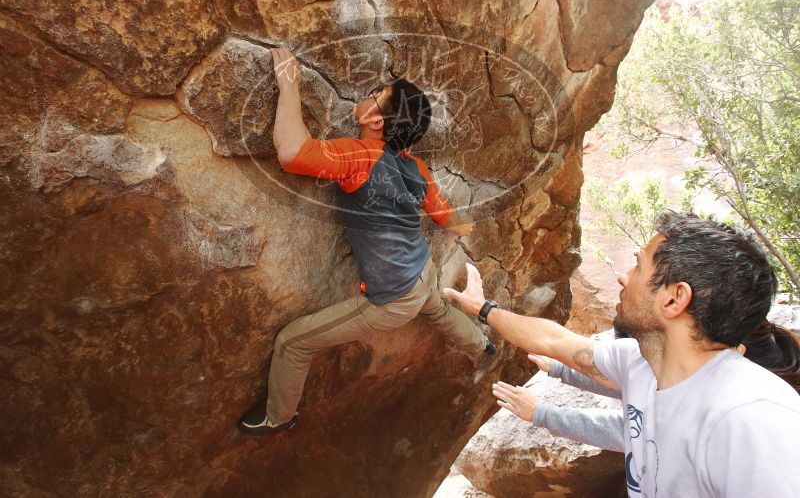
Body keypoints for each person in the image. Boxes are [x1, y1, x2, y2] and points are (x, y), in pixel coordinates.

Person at [444, 211, 800, 497]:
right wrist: (484, 309)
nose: (622, 278)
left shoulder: (750, 419)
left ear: (675, 299)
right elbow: (554, 340)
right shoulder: (641, 362)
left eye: (638, 266)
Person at [238, 48, 495, 436]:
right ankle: (482, 346)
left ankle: (280, 417)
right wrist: (468, 227)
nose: (368, 94)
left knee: (293, 342)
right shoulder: (415, 166)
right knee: (437, 310)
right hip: (422, 271)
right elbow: (451, 221)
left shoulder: (360, 156)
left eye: (375, 93)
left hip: (393, 295)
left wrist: (289, 84)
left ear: (375, 120)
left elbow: (292, 152)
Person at [492, 320, 800, 454]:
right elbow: (644, 380)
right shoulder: (724, 387)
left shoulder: (733, 424)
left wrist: (542, 413)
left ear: (737, 354)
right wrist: (563, 369)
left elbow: (632, 429)